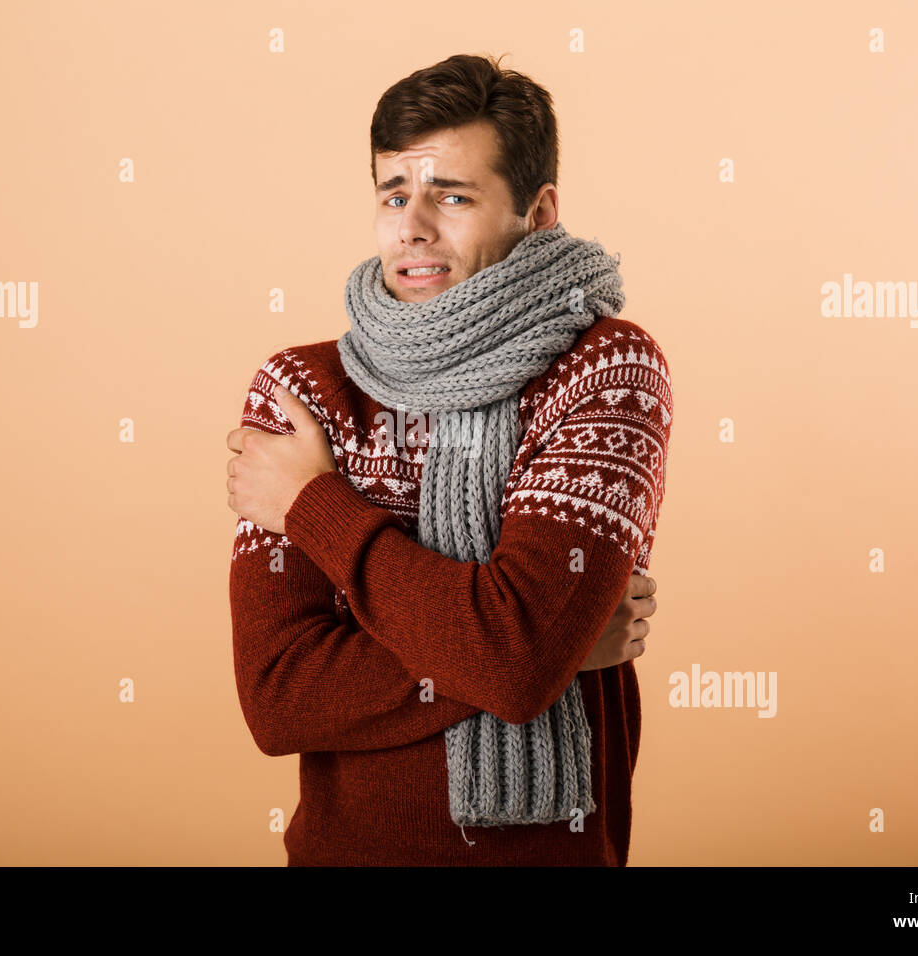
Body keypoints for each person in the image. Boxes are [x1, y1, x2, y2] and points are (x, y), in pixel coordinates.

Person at [225, 53, 673, 866]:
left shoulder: (606, 370)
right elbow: (279, 698)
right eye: (394, 194)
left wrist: (312, 505)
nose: (413, 227)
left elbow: (514, 660)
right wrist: (541, 652)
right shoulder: (304, 391)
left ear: (537, 214)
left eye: (452, 197)